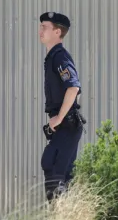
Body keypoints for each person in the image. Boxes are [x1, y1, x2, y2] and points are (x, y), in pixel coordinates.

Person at [38, 11, 86, 201]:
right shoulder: (53, 57)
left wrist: (59, 117)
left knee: (57, 176)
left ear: (57, 32)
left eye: (45, 27)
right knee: (52, 168)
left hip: (67, 125)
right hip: (64, 126)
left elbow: (73, 87)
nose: (40, 31)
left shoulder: (60, 57)